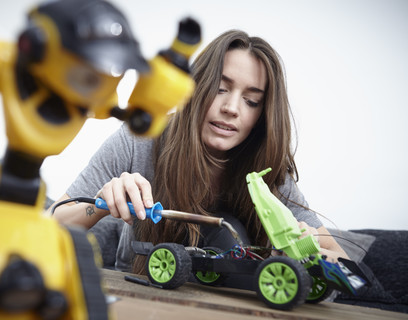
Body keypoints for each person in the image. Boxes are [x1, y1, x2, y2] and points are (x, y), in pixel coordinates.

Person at [49, 29, 349, 275]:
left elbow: (343, 262)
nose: (231, 108)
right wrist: (101, 203)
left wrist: (309, 249)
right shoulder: (137, 141)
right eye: (220, 88)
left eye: (251, 101)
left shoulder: (267, 171)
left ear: (263, 115)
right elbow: (50, 226)